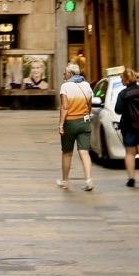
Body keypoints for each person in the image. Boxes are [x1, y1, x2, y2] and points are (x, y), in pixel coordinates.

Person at [113, 67, 139, 188]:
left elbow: (118, 110)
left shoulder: (123, 94)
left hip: (129, 127)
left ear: (125, 80)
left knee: (130, 153)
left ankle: (131, 179)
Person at [56, 62, 96, 191]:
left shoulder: (65, 87)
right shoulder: (87, 85)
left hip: (70, 122)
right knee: (84, 152)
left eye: (65, 73)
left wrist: (61, 125)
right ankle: (88, 180)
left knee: (67, 153)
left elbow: (64, 107)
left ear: (70, 73)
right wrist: (87, 115)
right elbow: (90, 104)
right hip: (84, 121)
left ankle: (65, 181)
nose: (64, 75)